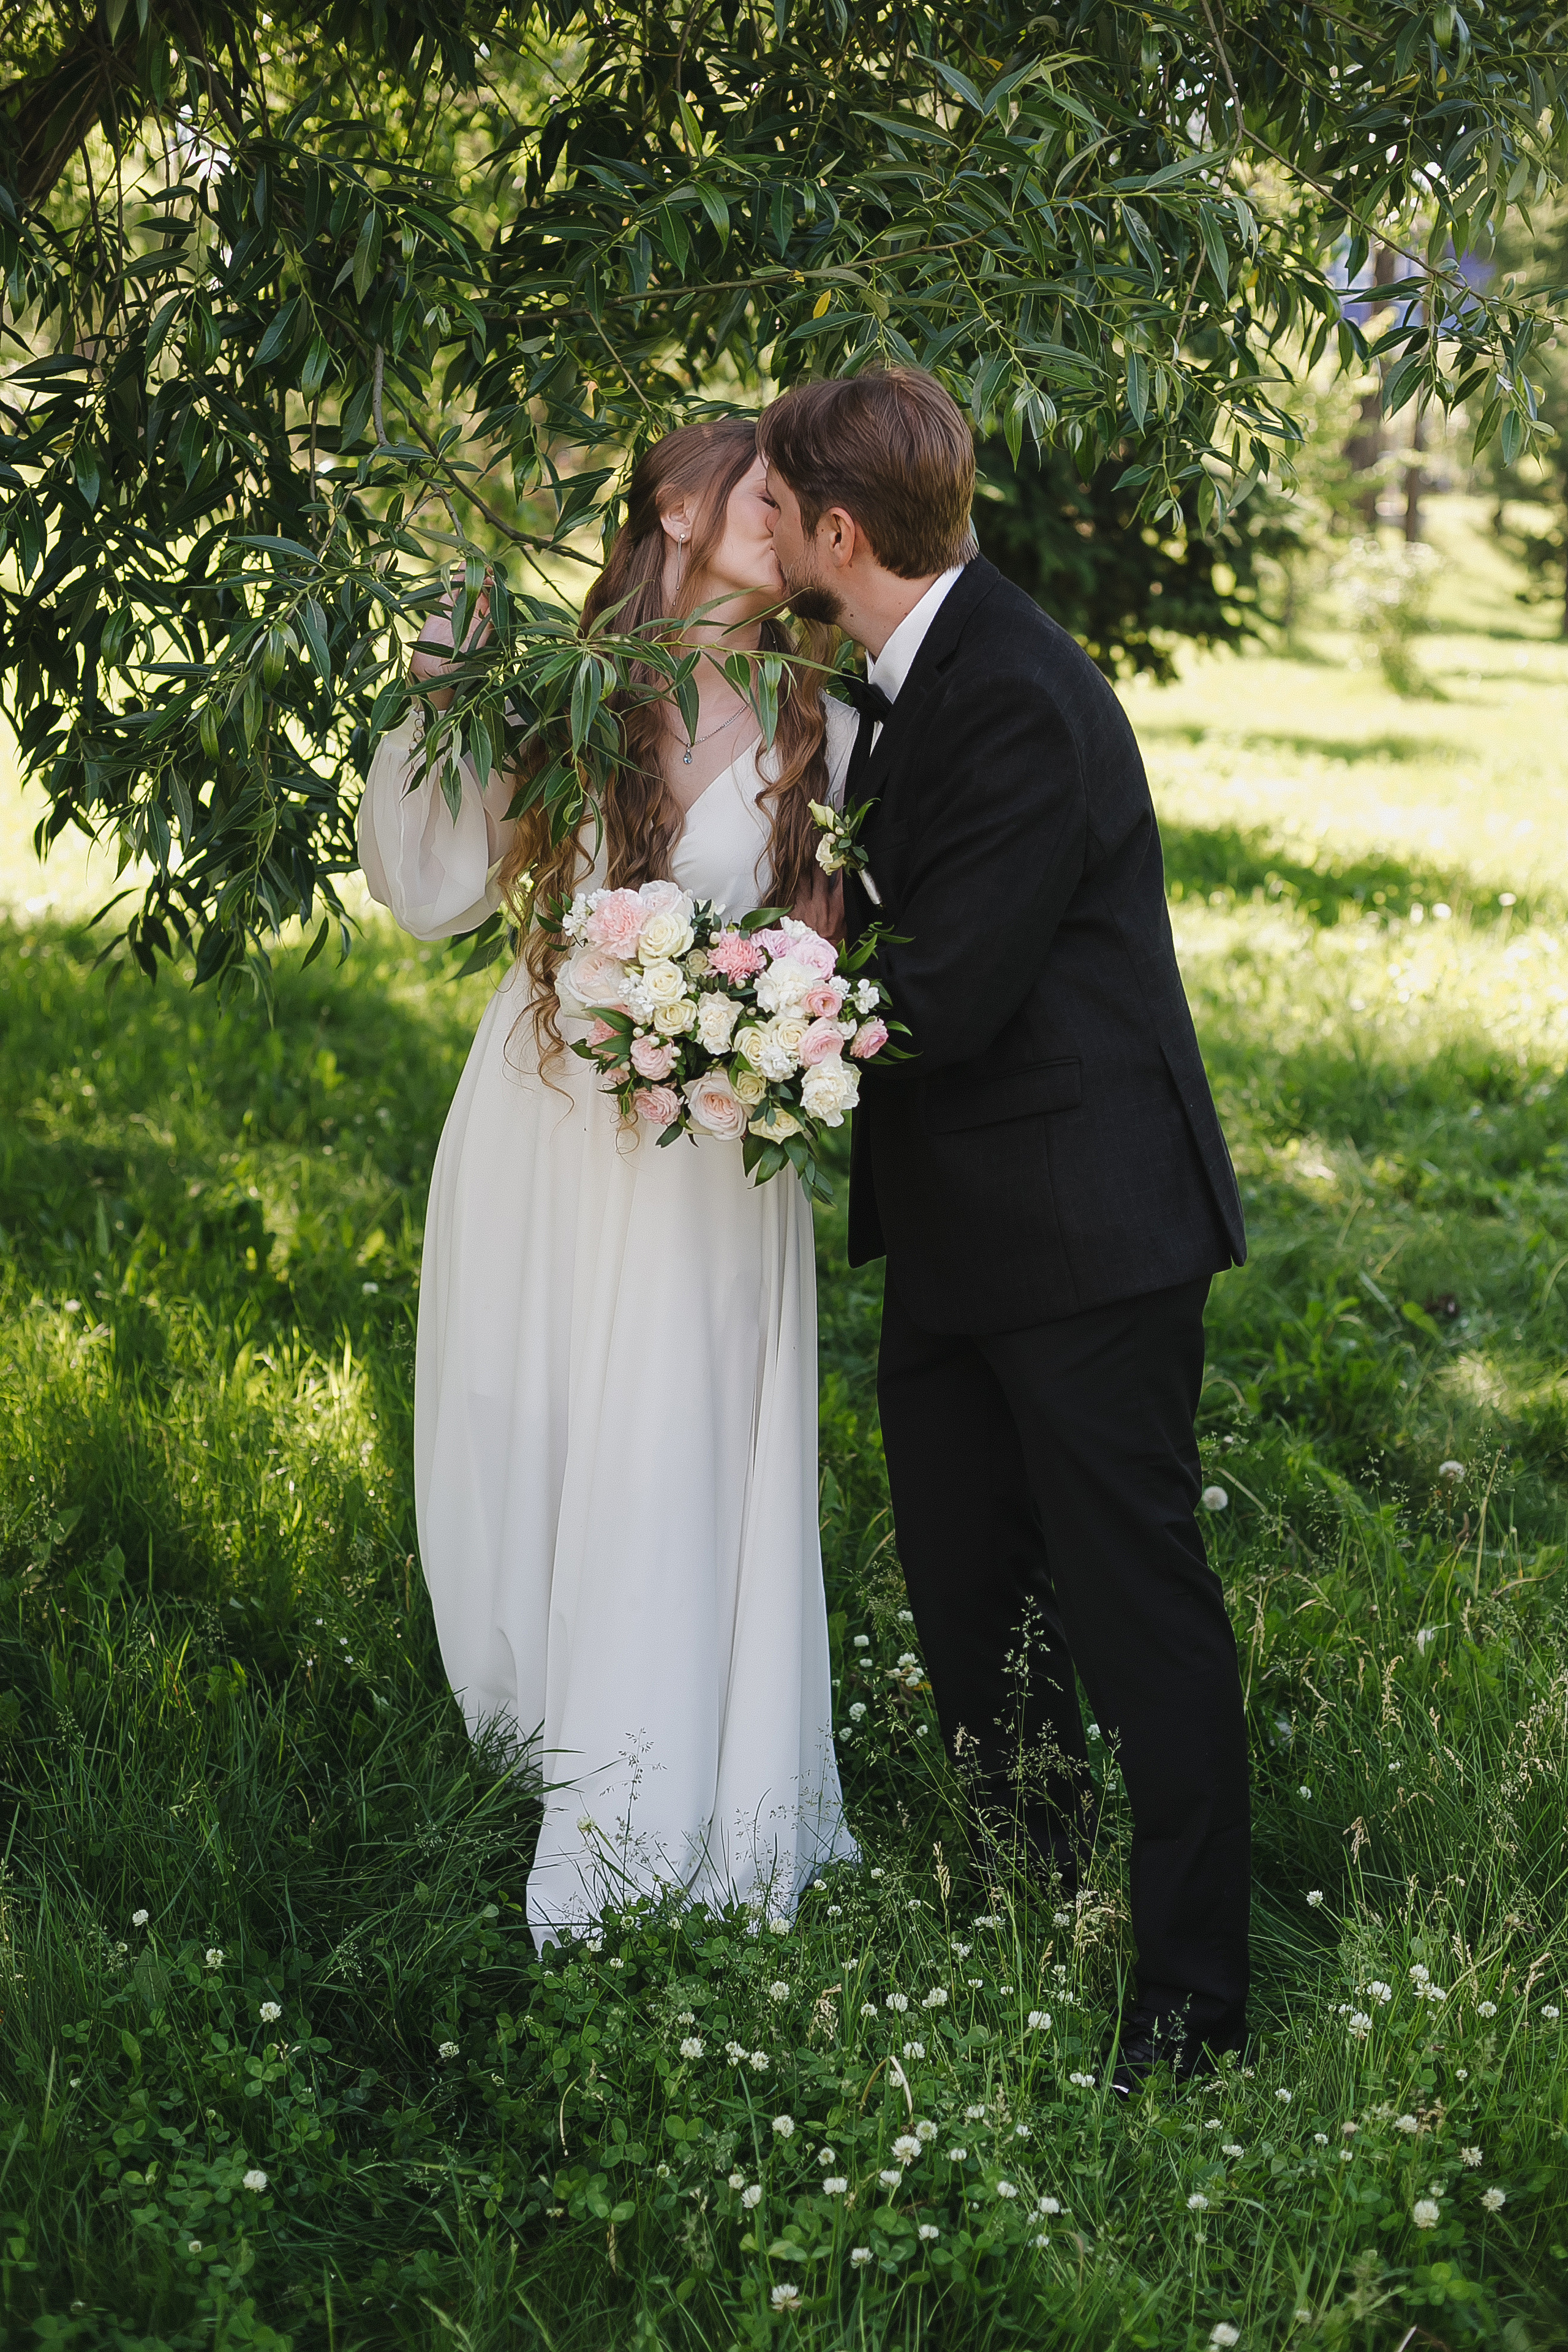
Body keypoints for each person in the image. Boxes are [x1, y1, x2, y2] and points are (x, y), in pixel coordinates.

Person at [756, 369, 1251, 2089]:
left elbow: (950, 995)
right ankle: (1034, 1906)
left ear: (839, 531)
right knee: (976, 1603)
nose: (764, 541)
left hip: (1094, 1230)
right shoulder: (887, 677)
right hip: (965, 1232)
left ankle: (1191, 2012)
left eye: (776, 512)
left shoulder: (1024, 695)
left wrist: (728, 1018)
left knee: (1136, 1614)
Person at [358, 416, 859, 1945]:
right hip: (549, 1107)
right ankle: (534, 1710)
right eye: (767, 491)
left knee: (680, 1420)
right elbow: (438, 883)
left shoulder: (811, 720)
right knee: (532, 1400)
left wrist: (757, 1025)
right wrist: (446, 676)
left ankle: (668, 1764)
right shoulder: (580, 693)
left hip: (708, 1139)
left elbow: (821, 930)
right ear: (678, 505)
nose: (790, 517)